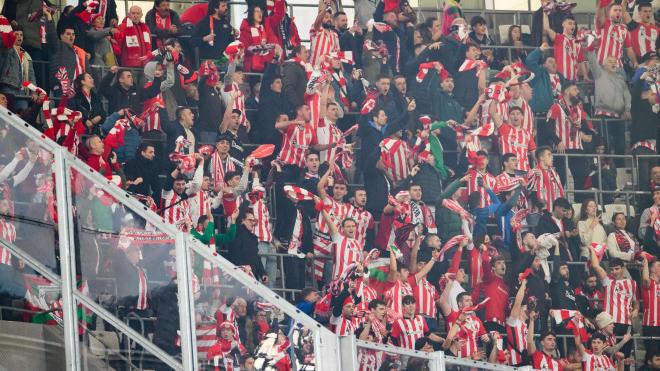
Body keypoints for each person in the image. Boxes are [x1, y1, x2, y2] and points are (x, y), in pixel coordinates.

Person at [542, 82, 591, 192]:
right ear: (567, 91)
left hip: (578, 149)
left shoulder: (579, 108)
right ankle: (559, 205)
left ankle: (579, 204)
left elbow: (586, 127)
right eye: (575, 89)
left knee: (582, 180)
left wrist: (581, 126)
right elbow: (548, 129)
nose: (578, 92)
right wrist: (558, 141)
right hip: (562, 150)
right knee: (560, 179)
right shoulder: (556, 107)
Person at [590, 252, 639, 360]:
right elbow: (595, 265)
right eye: (611, 269)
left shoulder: (632, 283)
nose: (614, 272)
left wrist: (635, 310)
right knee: (610, 356)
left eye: (617, 269)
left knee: (624, 358)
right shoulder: (608, 281)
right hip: (611, 324)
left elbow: (636, 303)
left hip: (627, 324)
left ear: (623, 268)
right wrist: (592, 249)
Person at [0, 24, 36, 110]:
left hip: (22, 90)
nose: (19, 37)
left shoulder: (26, 55)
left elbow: (31, 76)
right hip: (8, 87)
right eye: (16, 34)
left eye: (21, 35)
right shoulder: (7, 49)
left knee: (22, 116)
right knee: (9, 115)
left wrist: (34, 92)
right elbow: (3, 44)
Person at [228, 210, 269, 285]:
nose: (253, 223)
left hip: (252, 277)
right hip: (241, 277)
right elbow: (233, 254)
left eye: (254, 221)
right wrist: (243, 268)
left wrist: (263, 273)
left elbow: (256, 257)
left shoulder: (253, 238)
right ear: (242, 221)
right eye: (250, 220)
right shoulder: (237, 233)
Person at [543, 12, 586, 82]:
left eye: (574, 24)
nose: (573, 26)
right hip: (560, 79)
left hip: (573, 80)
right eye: (570, 23)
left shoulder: (577, 43)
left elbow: (581, 61)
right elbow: (547, 28)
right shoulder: (559, 38)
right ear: (563, 24)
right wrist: (545, 13)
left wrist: (585, 76)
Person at [641, 256, 660, 353]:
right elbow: (645, 278)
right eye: (659, 266)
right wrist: (645, 263)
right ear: (652, 269)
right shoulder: (649, 283)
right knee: (652, 354)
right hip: (651, 325)